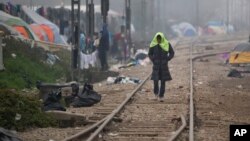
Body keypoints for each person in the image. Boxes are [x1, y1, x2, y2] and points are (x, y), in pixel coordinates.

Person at [148, 32, 175, 102]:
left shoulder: (167, 44)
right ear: (156, 38)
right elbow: (149, 53)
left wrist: (168, 58)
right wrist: (153, 59)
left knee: (163, 81)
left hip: (164, 66)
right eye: (158, 39)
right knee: (155, 81)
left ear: (162, 38)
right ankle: (156, 94)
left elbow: (172, 52)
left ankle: (161, 96)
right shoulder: (153, 44)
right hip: (156, 66)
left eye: (160, 39)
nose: (159, 40)